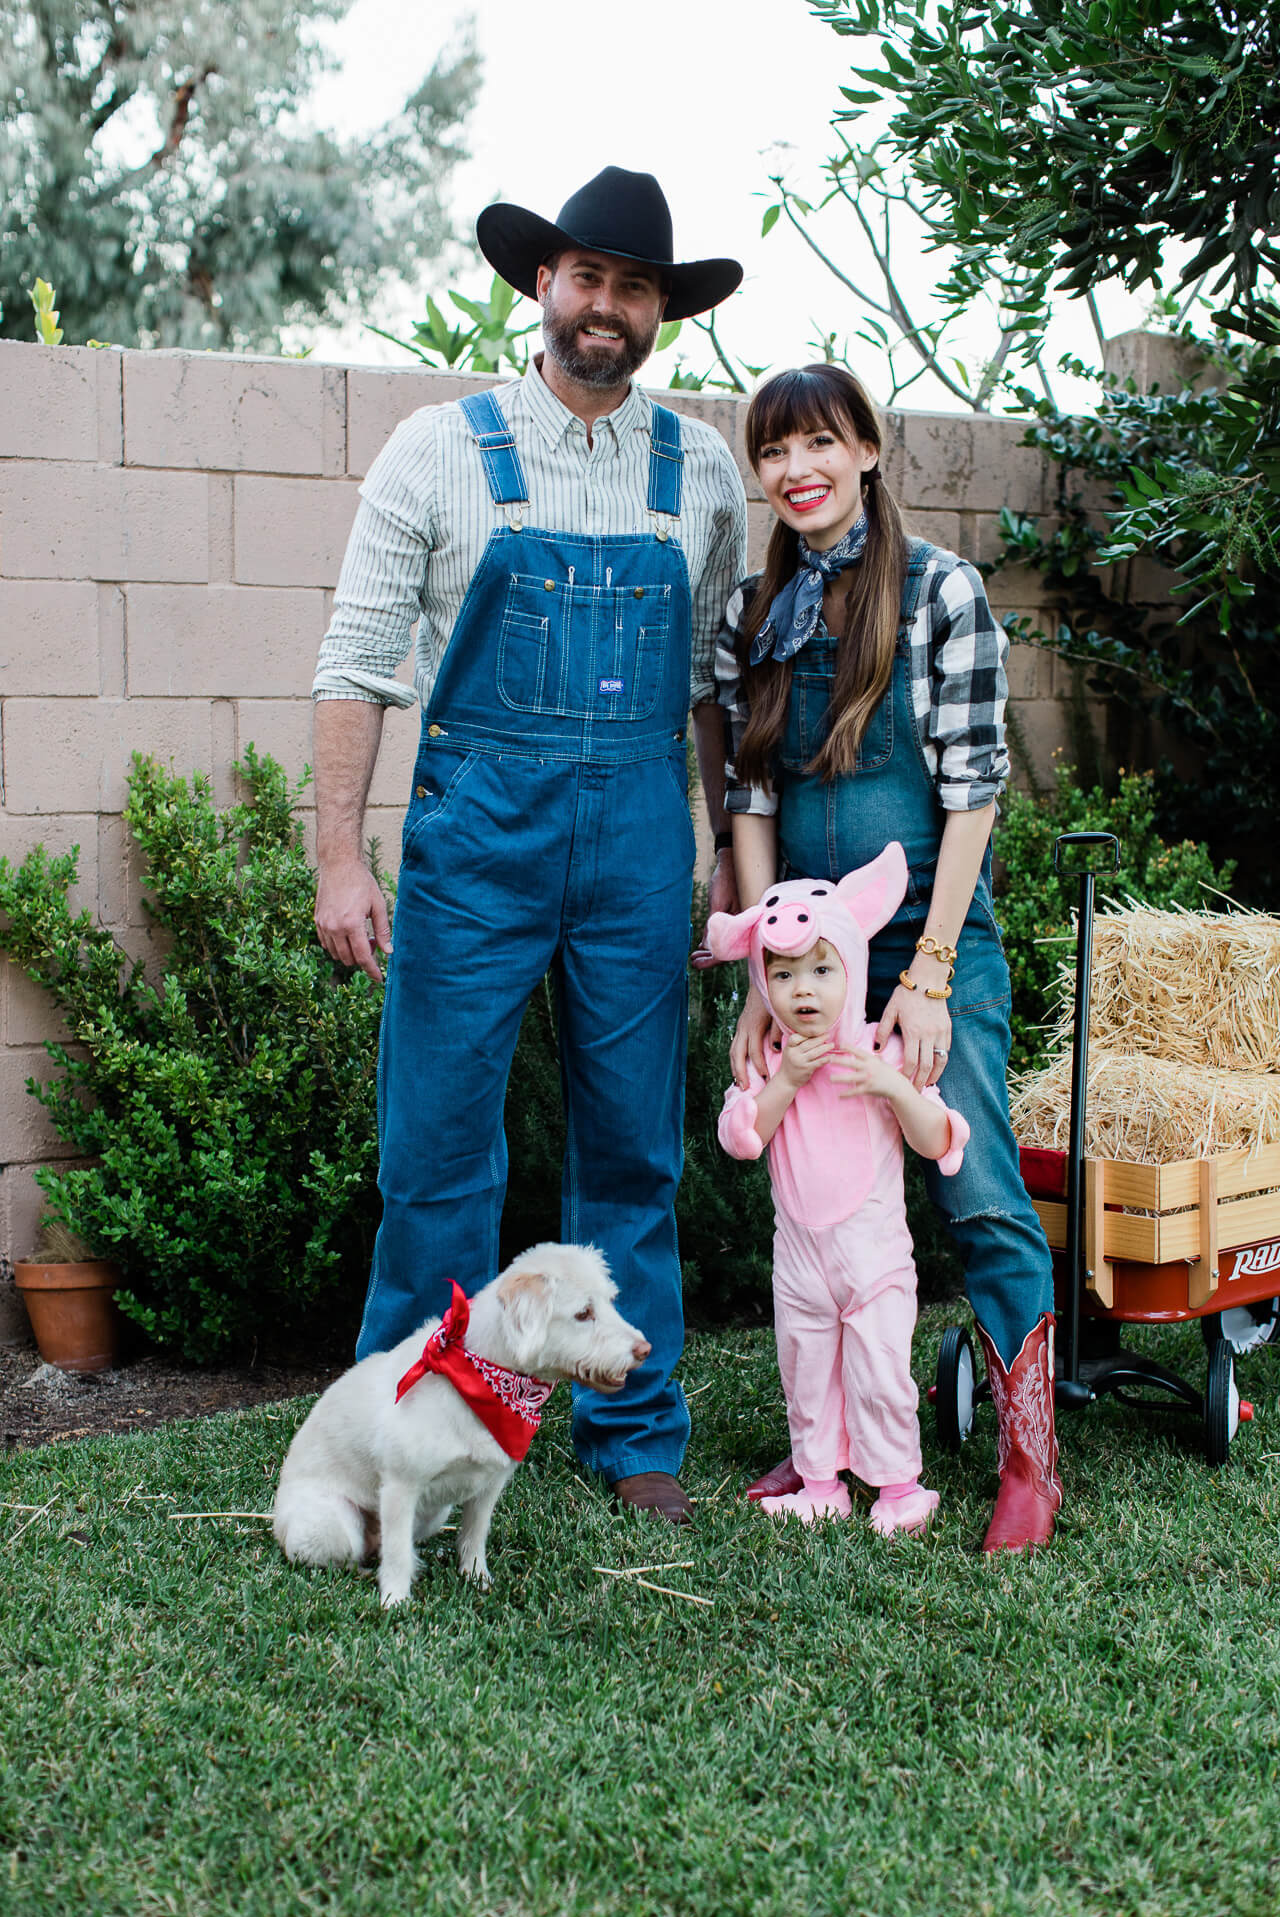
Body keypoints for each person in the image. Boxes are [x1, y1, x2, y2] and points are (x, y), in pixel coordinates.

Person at [311, 167, 748, 1527]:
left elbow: (710, 687)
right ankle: (414, 1430)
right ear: (539, 287)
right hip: (475, 845)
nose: (605, 305)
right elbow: (357, 662)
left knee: (629, 1152)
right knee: (440, 1150)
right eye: (585, 277)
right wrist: (338, 857)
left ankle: (636, 1432)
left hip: (633, 841)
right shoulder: (438, 452)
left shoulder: (705, 468)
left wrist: (723, 851)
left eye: (634, 286)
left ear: (661, 312)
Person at [716, 364, 1062, 1554]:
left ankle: (1030, 1456)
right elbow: (746, 796)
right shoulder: (751, 612)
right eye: (772, 453)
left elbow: (972, 797)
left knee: (972, 1193)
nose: (795, 471)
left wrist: (924, 975)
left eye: (818, 443)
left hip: (927, 950)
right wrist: (767, 981)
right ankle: (836, 1439)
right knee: (818, 1211)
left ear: (865, 448)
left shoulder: (937, 590)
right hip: (805, 962)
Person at [707, 848, 970, 1532]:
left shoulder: (878, 1050)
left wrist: (892, 1086)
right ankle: (821, 1483)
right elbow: (741, 1137)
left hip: (874, 1261)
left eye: (823, 971)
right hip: (801, 1265)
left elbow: (940, 1137)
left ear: (851, 971)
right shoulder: (773, 1060)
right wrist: (785, 1082)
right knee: (807, 1369)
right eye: (785, 974)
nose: (804, 990)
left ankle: (898, 1488)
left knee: (880, 1372)